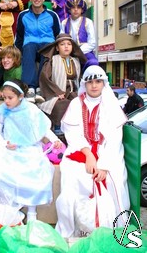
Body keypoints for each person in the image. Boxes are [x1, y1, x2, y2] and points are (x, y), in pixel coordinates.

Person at [55, 66, 130, 238]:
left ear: (104, 83)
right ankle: (74, 231)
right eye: (90, 82)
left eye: (98, 81)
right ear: (84, 84)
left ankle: (111, 230)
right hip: (80, 148)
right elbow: (72, 133)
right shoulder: (76, 103)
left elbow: (114, 138)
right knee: (72, 178)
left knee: (113, 181)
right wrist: (88, 154)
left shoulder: (111, 104)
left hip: (108, 152)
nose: (94, 86)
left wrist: (103, 166)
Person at [0, 79, 62, 222]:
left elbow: (43, 128)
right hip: (10, 150)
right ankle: (11, 207)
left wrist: (54, 139)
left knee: (35, 173)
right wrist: (5, 143)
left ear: (21, 97)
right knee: (1, 171)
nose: (6, 101)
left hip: (30, 149)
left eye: (10, 98)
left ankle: (32, 212)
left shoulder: (31, 110)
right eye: (4, 97)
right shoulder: (3, 111)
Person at [15, 0, 61, 103]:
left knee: (47, 47)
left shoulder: (52, 15)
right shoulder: (23, 15)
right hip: (30, 45)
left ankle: (41, 88)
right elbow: (19, 36)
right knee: (29, 47)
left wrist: (57, 49)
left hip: (47, 45)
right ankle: (30, 88)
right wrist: (18, 52)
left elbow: (58, 34)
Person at [38, 33, 87, 131]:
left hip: (74, 92)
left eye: (69, 44)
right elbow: (45, 78)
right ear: (57, 48)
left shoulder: (76, 61)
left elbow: (80, 79)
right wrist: (57, 92)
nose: (66, 46)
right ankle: (59, 129)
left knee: (81, 103)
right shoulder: (52, 60)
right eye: (62, 44)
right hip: (57, 94)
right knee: (62, 105)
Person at [61, 0, 99, 69]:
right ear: (69, 9)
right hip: (68, 51)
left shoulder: (88, 22)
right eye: (73, 8)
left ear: (82, 10)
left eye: (78, 8)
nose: (75, 10)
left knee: (93, 62)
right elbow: (61, 39)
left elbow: (92, 42)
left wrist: (78, 52)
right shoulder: (64, 23)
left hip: (85, 52)